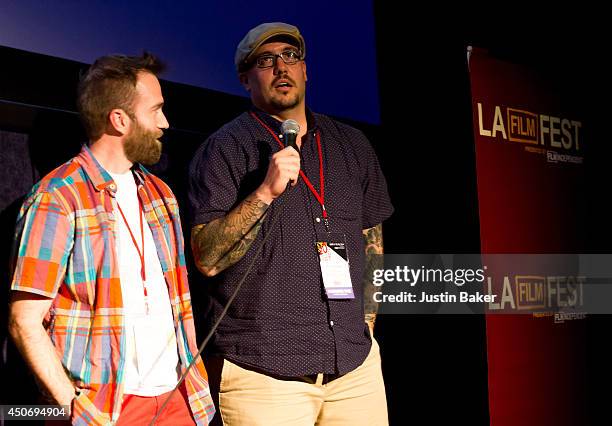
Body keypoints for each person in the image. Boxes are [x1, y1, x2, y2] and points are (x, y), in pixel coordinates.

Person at [188, 22, 393, 425]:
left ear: (305, 69)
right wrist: (265, 191)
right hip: (266, 376)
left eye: (291, 56)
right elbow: (207, 258)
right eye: (266, 60)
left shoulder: (351, 145)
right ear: (246, 79)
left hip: (355, 369)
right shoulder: (224, 149)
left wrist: (366, 323)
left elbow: (372, 239)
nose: (281, 68)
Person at [8, 53, 215, 425]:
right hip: (106, 410)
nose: (165, 123)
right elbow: (24, 321)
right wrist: (74, 408)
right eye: (156, 110)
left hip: (177, 399)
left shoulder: (160, 194)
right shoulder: (57, 197)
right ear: (120, 120)